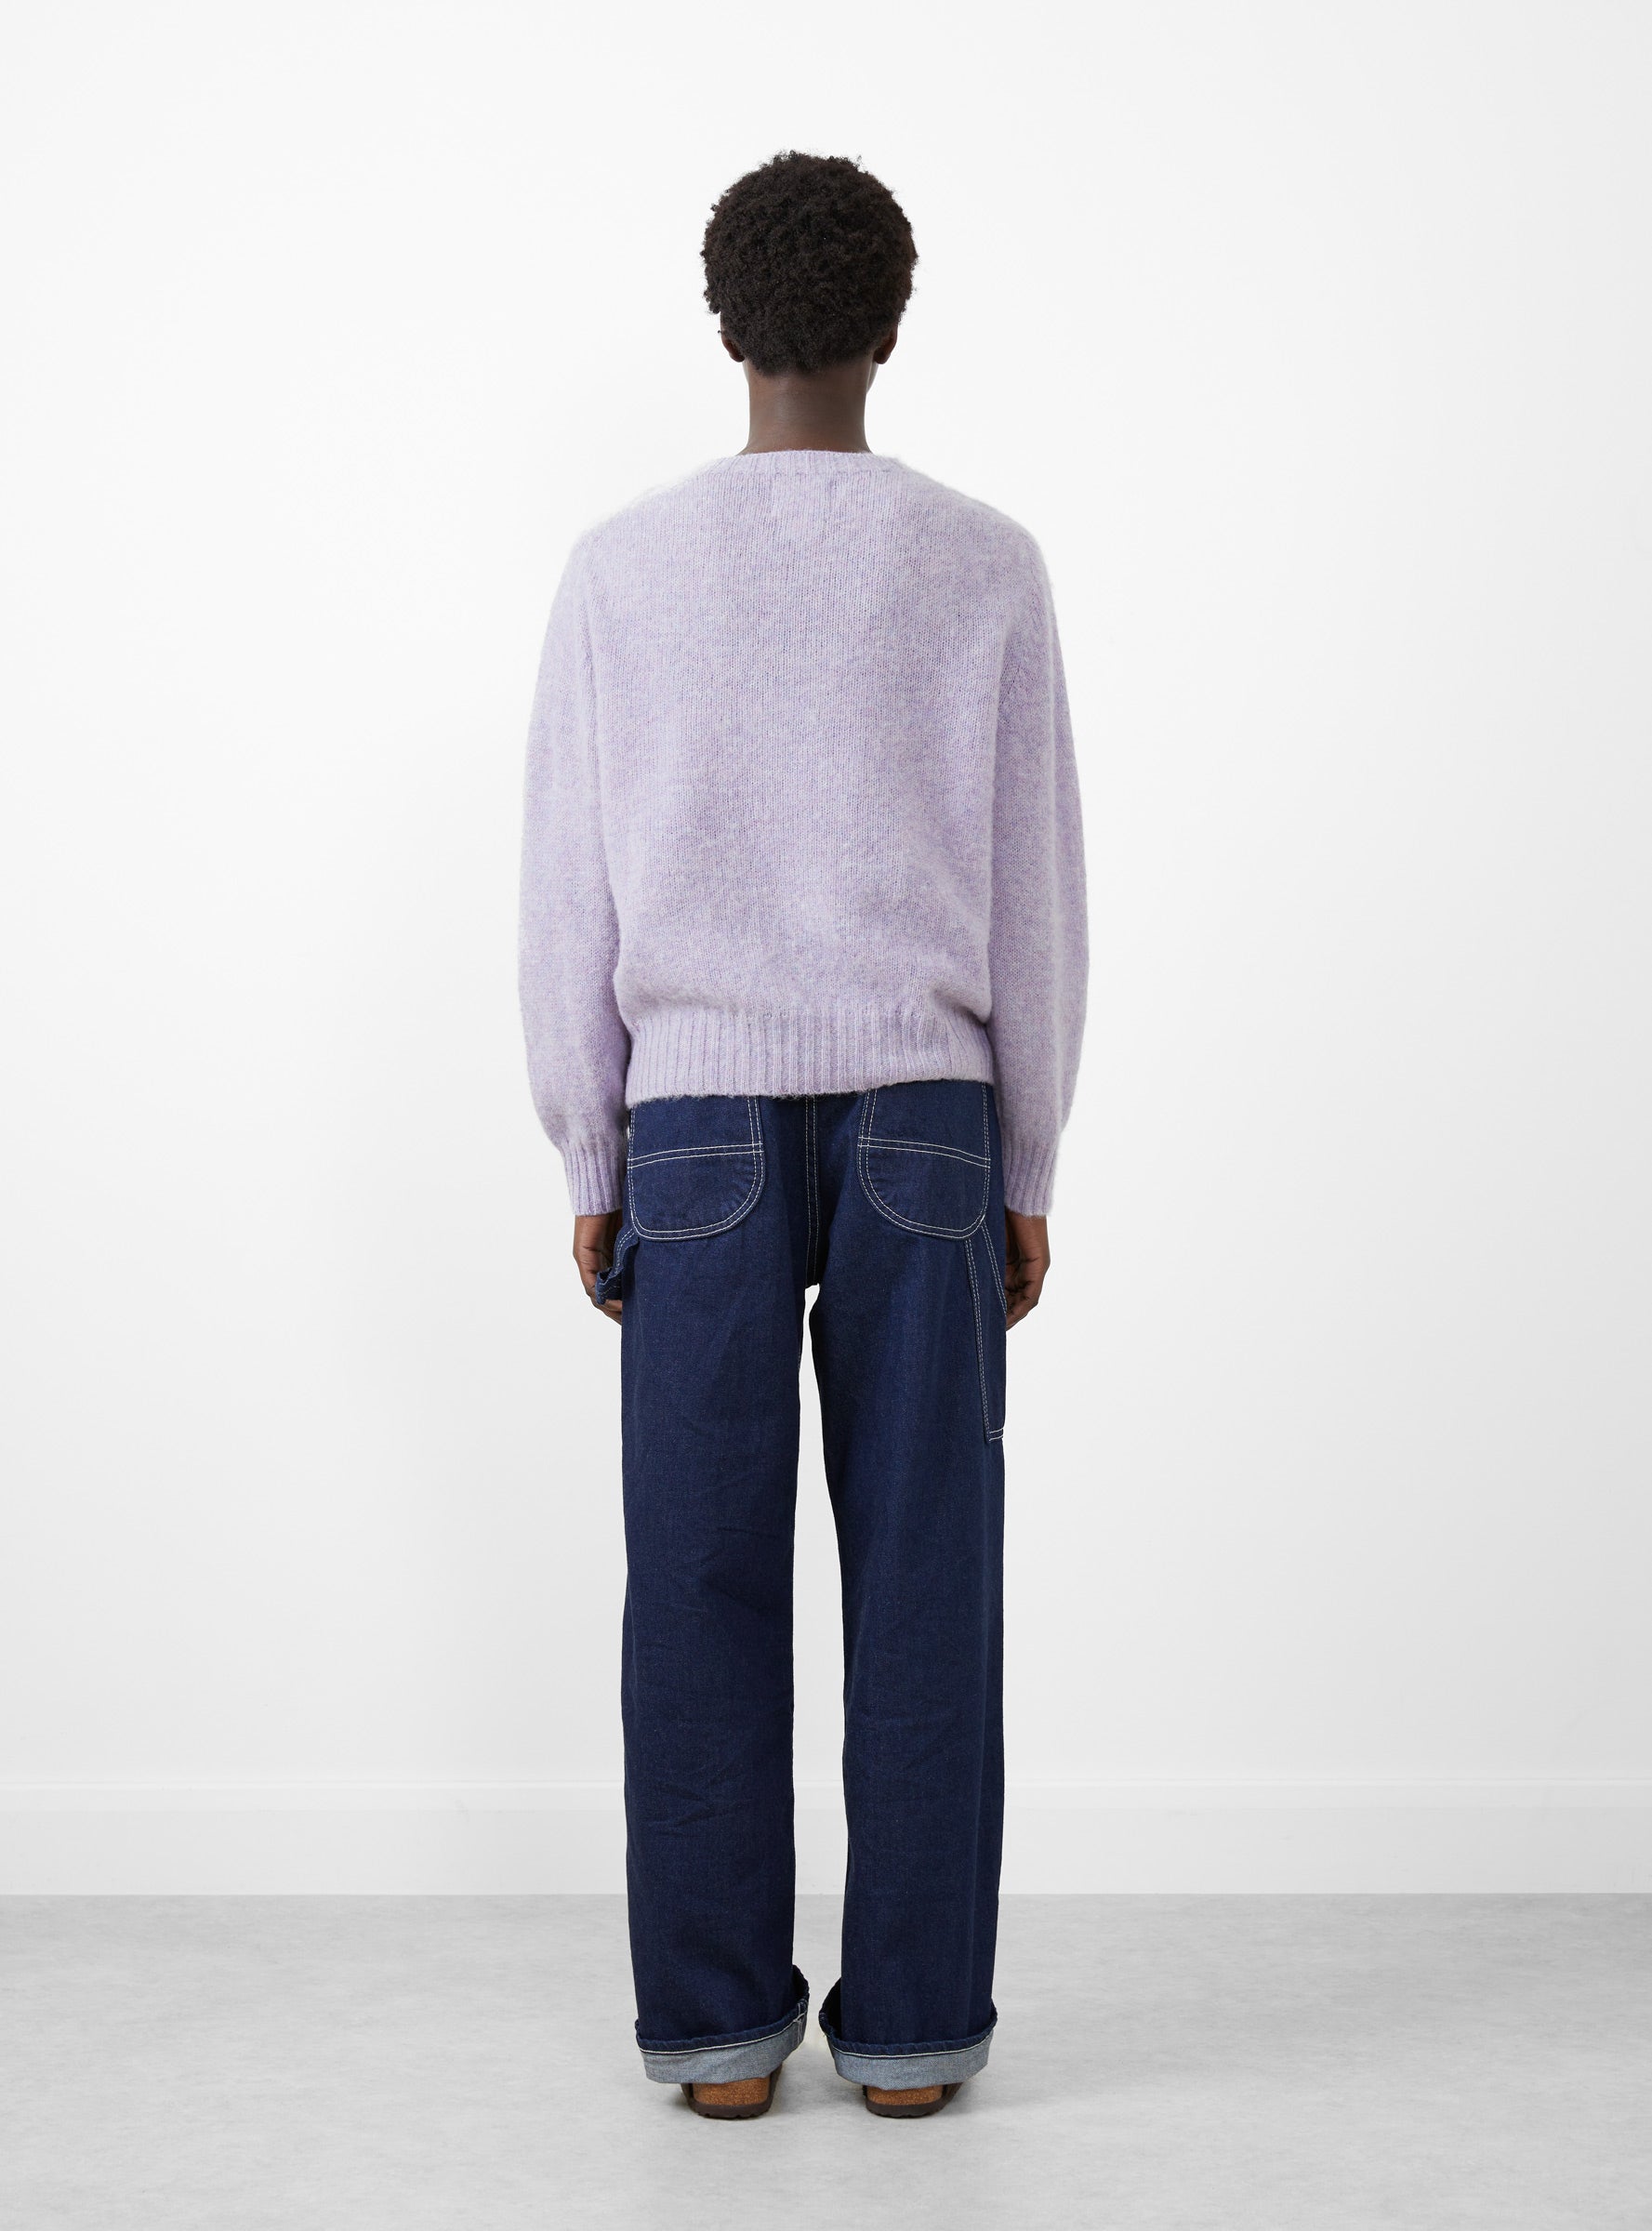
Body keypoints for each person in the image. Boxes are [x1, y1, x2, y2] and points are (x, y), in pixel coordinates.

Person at [518, 151, 1087, 2121]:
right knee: (926, 1576)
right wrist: (1028, 1159)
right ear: (888, 325)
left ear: (726, 323)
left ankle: (717, 2037)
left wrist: (589, 1150)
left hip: (691, 1125)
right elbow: (1033, 890)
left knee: (694, 1580)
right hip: (931, 1117)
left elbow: (565, 886)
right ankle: (914, 2035)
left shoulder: (622, 568)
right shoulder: (981, 562)